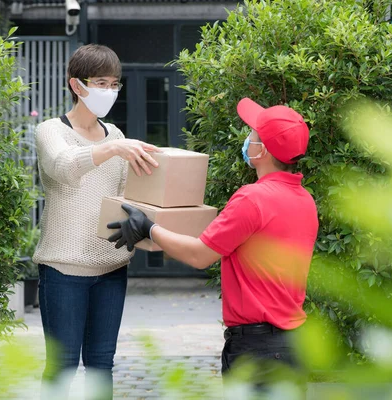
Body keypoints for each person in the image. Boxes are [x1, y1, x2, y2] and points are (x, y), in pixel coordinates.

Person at [107, 98, 319, 391]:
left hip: (257, 351)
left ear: (263, 151)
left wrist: (149, 228)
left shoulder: (253, 199)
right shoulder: (304, 200)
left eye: (253, 135)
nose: (247, 139)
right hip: (294, 343)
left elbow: (200, 255)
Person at [32, 43, 160, 400]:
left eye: (115, 84)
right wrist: (115, 150)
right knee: (63, 365)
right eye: (101, 83)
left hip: (111, 268)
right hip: (64, 270)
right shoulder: (51, 131)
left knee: (102, 363)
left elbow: (122, 198)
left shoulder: (116, 135)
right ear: (77, 85)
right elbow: (65, 167)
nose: (110, 91)